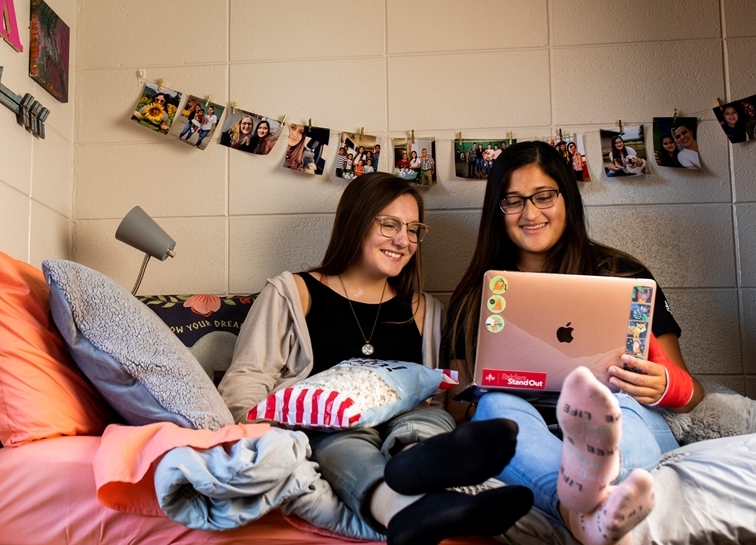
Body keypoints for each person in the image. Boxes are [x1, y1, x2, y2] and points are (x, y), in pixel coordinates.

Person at [220, 172, 533, 545]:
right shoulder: (294, 292)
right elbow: (245, 380)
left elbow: (445, 396)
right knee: (343, 444)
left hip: (413, 416)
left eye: (414, 229)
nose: (404, 241)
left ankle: (425, 464)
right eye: (389, 225)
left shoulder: (425, 309)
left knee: (428, 419)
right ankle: (402, 510)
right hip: (335, 426)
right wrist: (267, 436)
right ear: (355, 222)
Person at [443, 141, 705, 545]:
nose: (530, 213)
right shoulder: (476, 296)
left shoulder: (625, 276)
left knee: (617, 405)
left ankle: (589, 500)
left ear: (567, 196)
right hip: (529, 424)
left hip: (620, 413)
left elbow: (690, 394)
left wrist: (663, 385)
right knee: (495, 407)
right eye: (512, 201)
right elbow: (457, 404)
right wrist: (486, 389)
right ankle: (583, 511)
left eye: (543, 196)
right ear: (497, 211)